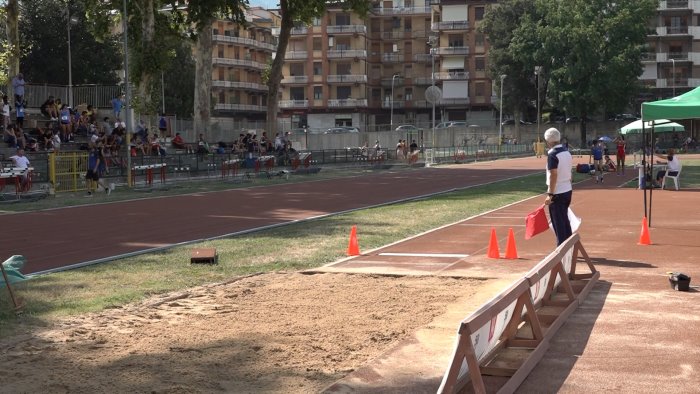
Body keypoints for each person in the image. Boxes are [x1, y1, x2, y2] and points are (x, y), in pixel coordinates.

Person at [544, 128, 573, 246]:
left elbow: (553, 174)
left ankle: (561, 247)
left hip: (558, 192)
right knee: (564, 219)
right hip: (567, 189)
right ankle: (570, 243)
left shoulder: (552, 154)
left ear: (548, 141)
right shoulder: (566, 152)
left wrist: (550, 194)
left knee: (558, 222)